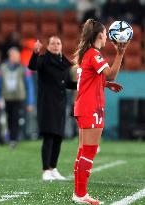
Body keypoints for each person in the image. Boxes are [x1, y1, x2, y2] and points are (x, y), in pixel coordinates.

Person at [72, 19, 128, 204]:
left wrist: (105, 84)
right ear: (99, 36)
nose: (107, 38)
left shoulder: (87, 54)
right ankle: (81, 195)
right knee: (89, 151)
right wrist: (120, 53)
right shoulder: (94, 54)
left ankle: (79, 193)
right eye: (105, 34)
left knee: (83, 151)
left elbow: (91, 79)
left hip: (84, 106)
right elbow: (111, 73)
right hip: (90, 107)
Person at [28, 36, 77, 181]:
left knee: (58, 137)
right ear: (48, 46)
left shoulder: (64, 63)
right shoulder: (43, 60)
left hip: (60, 104)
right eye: (53, 43)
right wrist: (35, 52)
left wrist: (81, 85)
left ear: (62, 46)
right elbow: (32, 66)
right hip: (47, 104)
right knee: (49, 136)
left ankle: (53, 168)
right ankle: (45, 170)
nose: (56, 46)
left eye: (58, 43)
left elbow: (68, 83)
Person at [0, 47, 34, 148]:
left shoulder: (24, 68)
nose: (17, 58)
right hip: (7, 98)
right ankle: (11, 138)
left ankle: (14, 139)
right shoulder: (2, 68)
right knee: (8, 118)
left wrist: (30, 102)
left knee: (16, 118)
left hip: (19, 98)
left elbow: (29, 86)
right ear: (10, 56)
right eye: (15, 56)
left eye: (18, 56)